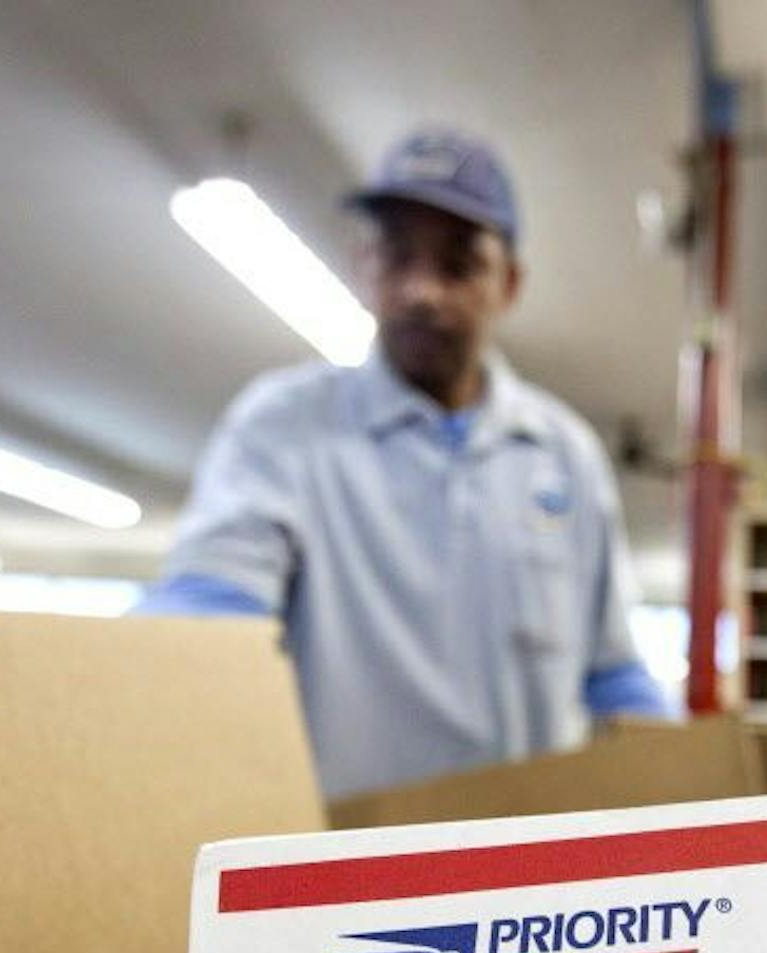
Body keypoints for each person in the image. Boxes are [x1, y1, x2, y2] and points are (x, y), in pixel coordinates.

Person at [134, 127, 670, 798]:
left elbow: (613, 674)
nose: (422, 291)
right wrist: (141, 683)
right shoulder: (281, 427)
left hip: (527, 877)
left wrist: (681, 794)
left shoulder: (567, 455)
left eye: (457, 264)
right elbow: (208, 609)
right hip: (347, 867)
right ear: (364, 269)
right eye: (398, 257)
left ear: (509, 282)